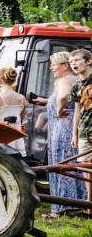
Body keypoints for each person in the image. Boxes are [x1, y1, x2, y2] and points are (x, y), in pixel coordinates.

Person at [30, 52, 86, 218]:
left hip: (62, 129)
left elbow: (63, 96)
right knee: (74, 164)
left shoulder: (63, 80)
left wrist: (59, 109)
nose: (51, 68)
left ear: (64, 66)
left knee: (60, 165)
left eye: (53, 64)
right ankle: (78, 203)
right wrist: (45, 101)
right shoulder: (76, 80)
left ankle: (60, 208)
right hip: (73, 128)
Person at [69, 48, 92, 217]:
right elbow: (77, 111)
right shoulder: (76, 85)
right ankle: (89, 206)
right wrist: (74, 134)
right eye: (71, 62)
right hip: (84, 131)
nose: (74, 64)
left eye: (77, 60)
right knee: (86, 170)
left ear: (88, 61)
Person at [0, 67, 28, 156]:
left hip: (1, 136)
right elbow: (22, 117)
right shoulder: (22, 98)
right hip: (16, 138)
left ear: (0, 81)